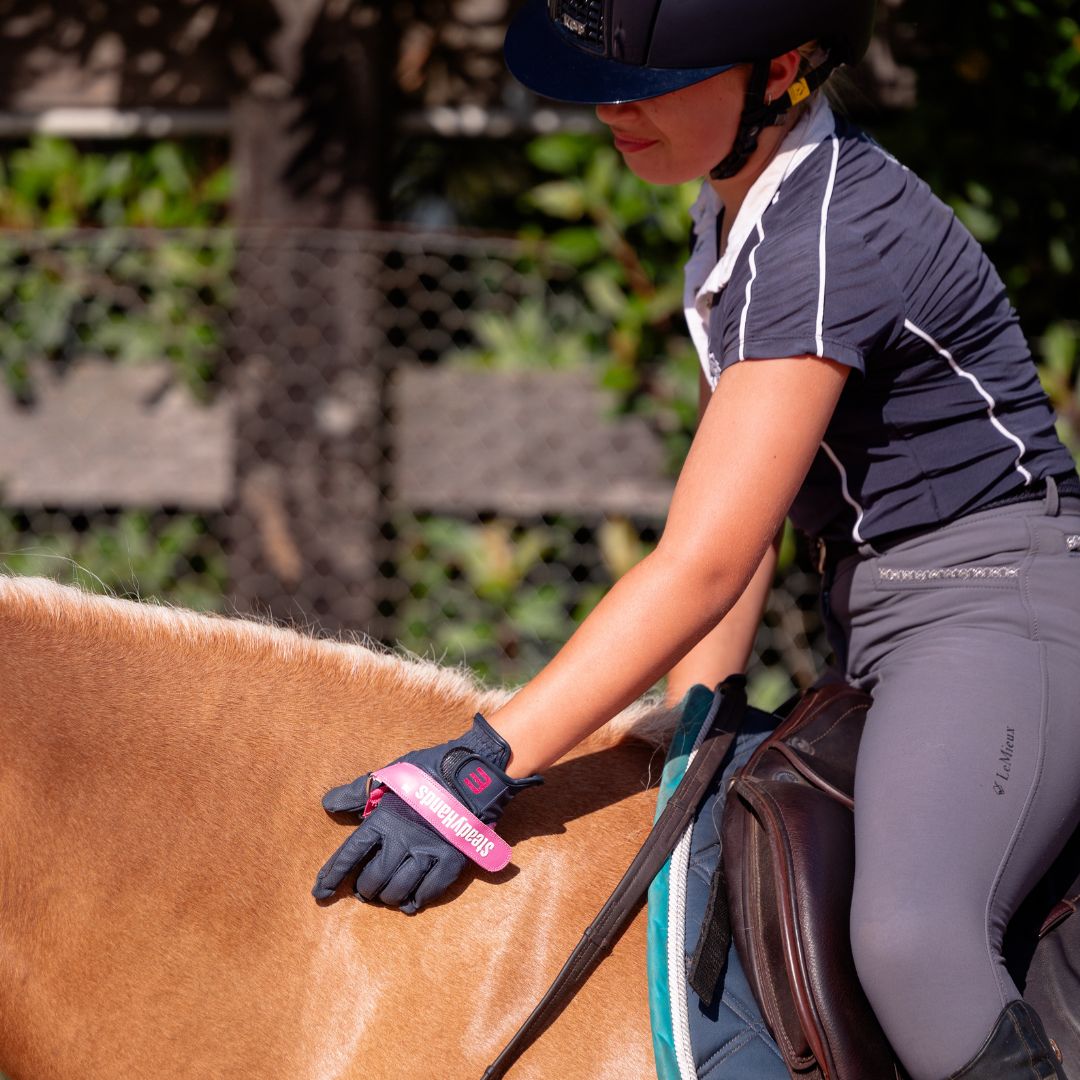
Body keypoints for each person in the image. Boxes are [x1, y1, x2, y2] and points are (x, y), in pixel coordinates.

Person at [312, 1, 1080, 1076]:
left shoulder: (824, 232)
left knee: (913, 936)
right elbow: (747, 527)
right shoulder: (744, 215)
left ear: (778, 72)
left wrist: (484, 764)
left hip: (995, 599)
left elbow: (702, 562)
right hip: (887, 619)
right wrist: (696, 723)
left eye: (654, 79)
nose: (612, 109)